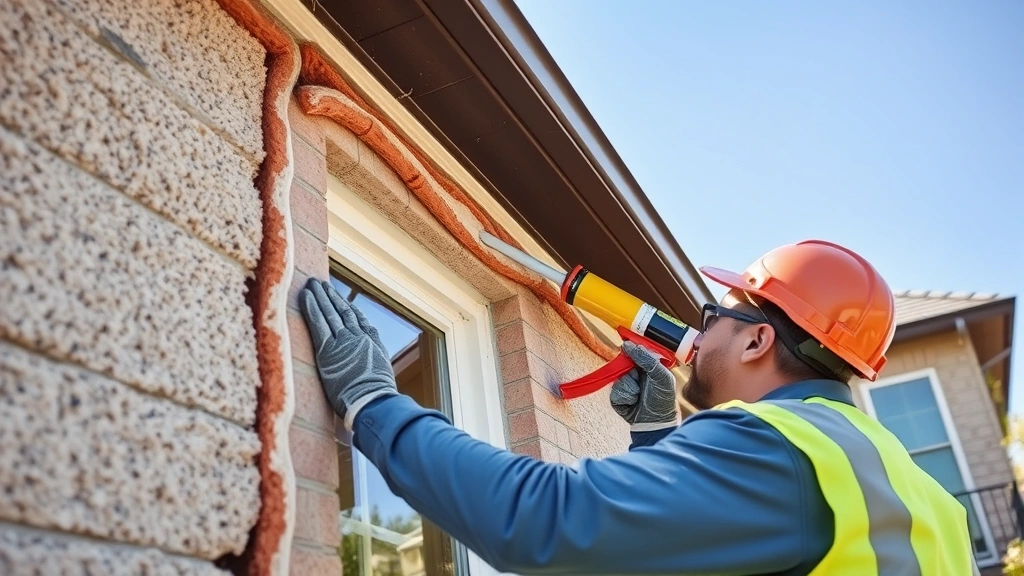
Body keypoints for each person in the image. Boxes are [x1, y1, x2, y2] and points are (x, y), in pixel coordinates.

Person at [299, 239, 978, 575]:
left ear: (758, 340)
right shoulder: (906, 485)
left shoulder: (779, 449)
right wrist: (656, 437)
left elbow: (547, 521)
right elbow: (678, 556)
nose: (699, 328)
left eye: (715, 314)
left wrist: (373, 402)